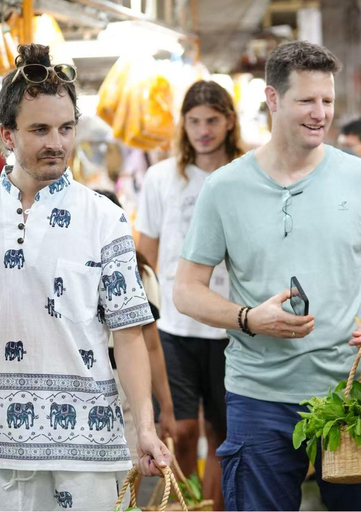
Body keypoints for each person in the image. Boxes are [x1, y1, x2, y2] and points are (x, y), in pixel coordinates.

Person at [0, 44, 171, 511]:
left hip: (88, 454)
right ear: (7, 135)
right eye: (39, 129)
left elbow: (129, 333)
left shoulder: (105, 217)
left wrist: (144, 427)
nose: (56, 142)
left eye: (66, 127)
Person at [173, 40, 361, 511]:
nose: (320, 113)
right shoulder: (225, 188)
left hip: (351, 394)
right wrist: (248, 318)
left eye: (327, 101)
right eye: (307, 100)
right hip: (259, 397)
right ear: (273, 98)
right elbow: (186, 291)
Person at [134, 80, 243, 510]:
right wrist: (138, 317)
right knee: (178, 430)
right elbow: (146, 254)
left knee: (223, 433)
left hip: (231, 326)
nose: (203, 130)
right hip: (174, 329)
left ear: (229, 121)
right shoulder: (162, 177)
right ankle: (183, 504)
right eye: (194, 121)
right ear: (183, 124)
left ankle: (214, 507)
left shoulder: (245, 172)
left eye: (212, 120)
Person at [94, 189, 177, 463]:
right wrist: (165, 408)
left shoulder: (139, 272)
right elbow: (152, 347)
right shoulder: (140, 271)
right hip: (104, 380)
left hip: (124, 380)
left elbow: (150, 346)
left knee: (127, 475)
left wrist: (165, 408)